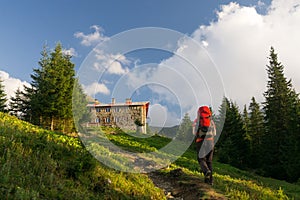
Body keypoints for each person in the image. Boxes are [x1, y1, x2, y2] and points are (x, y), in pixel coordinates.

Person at [193, 106, 216, 185]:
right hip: (210, 142)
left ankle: (206, 171)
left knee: (201, 159)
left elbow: (194, 132)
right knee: (209, 162)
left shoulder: (197, 121)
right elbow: (215, 133)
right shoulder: (211, 121)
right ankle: (210, 181)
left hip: (201, 142)